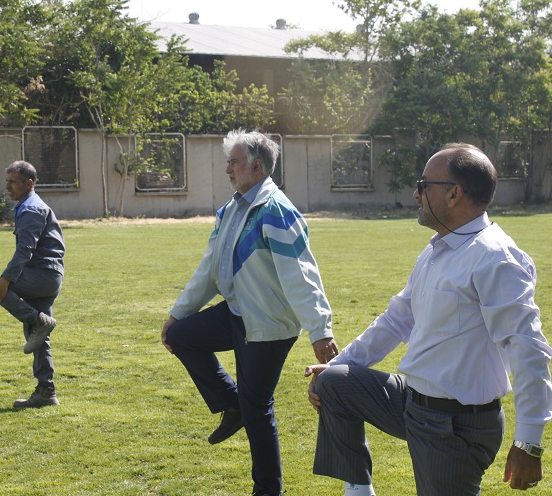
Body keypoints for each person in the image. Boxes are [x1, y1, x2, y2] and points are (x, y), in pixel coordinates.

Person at [305, 143, 552, 495]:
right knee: (334, 381)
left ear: (454, 193)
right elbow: (396, 320)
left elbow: (529, 350)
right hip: (413, 402)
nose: (416, 193)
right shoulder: (439, 247)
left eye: (423, 184)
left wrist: (529, 443)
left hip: (456, 423)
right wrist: (335, 365)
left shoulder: (496, 259)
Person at [161, 129, 338, 495]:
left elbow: (302, 274)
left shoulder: (276, 210)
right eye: (228, 161)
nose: (228, 168)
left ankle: (267, 490)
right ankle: (233, 404)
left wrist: (320, 330)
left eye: (234, 162)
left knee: (258, 408)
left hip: (269, 325)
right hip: (237, 314)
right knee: (181, 337)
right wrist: (179, 313)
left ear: (257, 167)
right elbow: (209, 269)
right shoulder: (231, 209)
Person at [0, 161, 64, 408]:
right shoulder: (28, 206)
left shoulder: (31, 209)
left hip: (42, 275)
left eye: (12, 182)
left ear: (28, 183)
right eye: (6, 181)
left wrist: (5, 280)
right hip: (46, 275)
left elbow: (24, 250)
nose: (7, 186)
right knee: (38, 337)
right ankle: (46, 392)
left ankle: (38, 321)